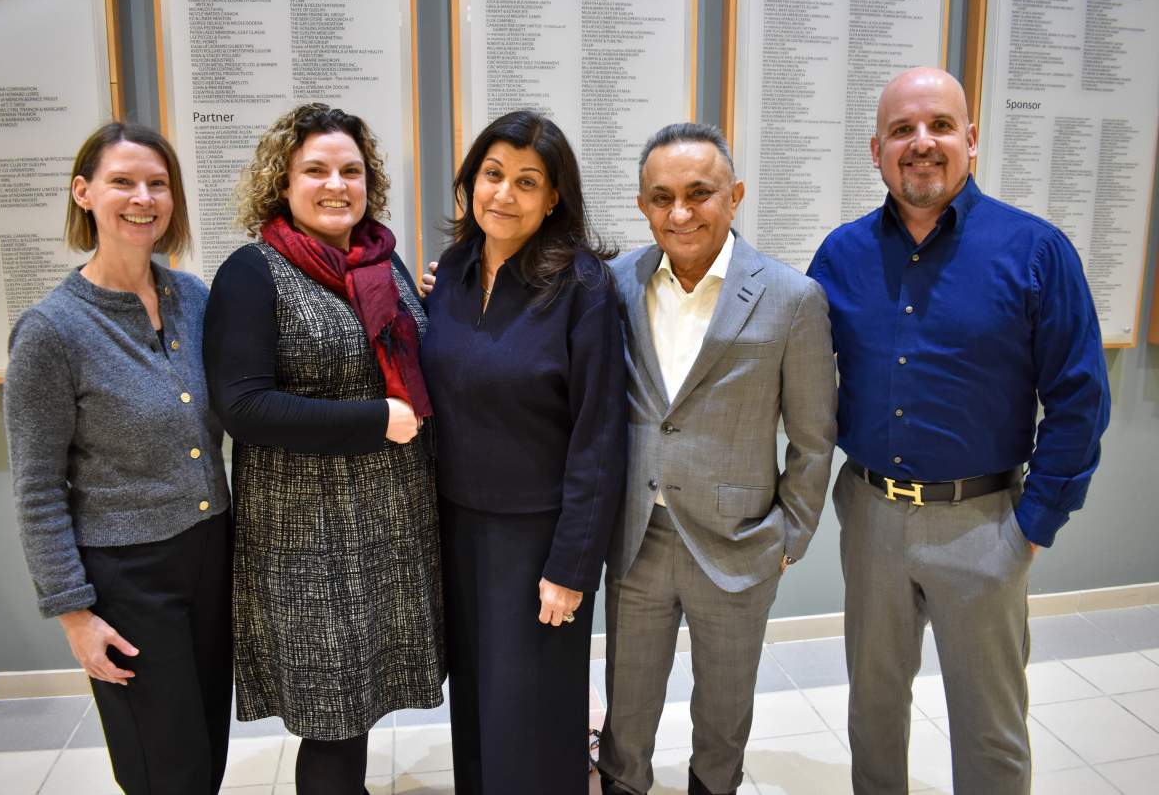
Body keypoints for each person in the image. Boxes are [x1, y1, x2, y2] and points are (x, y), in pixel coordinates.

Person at [807, 67, 1112, 795]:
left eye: (940, 125)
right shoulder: (839, 257)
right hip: (872, 515)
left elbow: (1078, 398)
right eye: (904, 129)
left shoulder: (1036, 251)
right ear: (875, 147)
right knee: (873, 711)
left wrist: (1033, 523)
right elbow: (807, 386)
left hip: (986, 523)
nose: (923, 142)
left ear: (971, 140)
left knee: (990, 726)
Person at [202, 103, 443, 794]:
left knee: (360, 702)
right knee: (331, 717)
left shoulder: (381, 260)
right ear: (283, 181)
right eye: (316, 169)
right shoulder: (254, 272)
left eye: (351, 169)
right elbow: (242, 406)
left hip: (390, 522)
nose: (336, 183)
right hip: (306, 533)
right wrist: (374, 419)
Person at [597, 123, 838, 795]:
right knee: (628, 700)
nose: (680, 213)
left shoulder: (791, 298)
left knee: (725, 709)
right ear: (643, 204)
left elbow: (814, 435)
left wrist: (789, 536)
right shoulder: (613, 283)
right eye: (662, 196)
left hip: (739, 543)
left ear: (733, 197)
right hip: (638, 533)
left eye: (700, 193)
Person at [3, 123, 232, 794]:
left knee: (207, 749)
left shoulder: (193, 298)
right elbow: (37, 489)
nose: (144, 198)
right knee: (166, 769)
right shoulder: (51, 330)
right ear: (84, 193)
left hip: (211, 553)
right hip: (129, 576)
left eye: (157, 184)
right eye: (123, 182)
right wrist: (74, 613)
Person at [418, 110, 627, 795]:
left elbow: (599, 435)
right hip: (458, 527)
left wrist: (572, 564)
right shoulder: (451, 270)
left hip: (539, 540)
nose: (504, 194)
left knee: (533, 718)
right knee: (477, 706)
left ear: (554, 196)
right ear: (471, 181)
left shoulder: (584, 287)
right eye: (493, 174)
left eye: (527, 181)